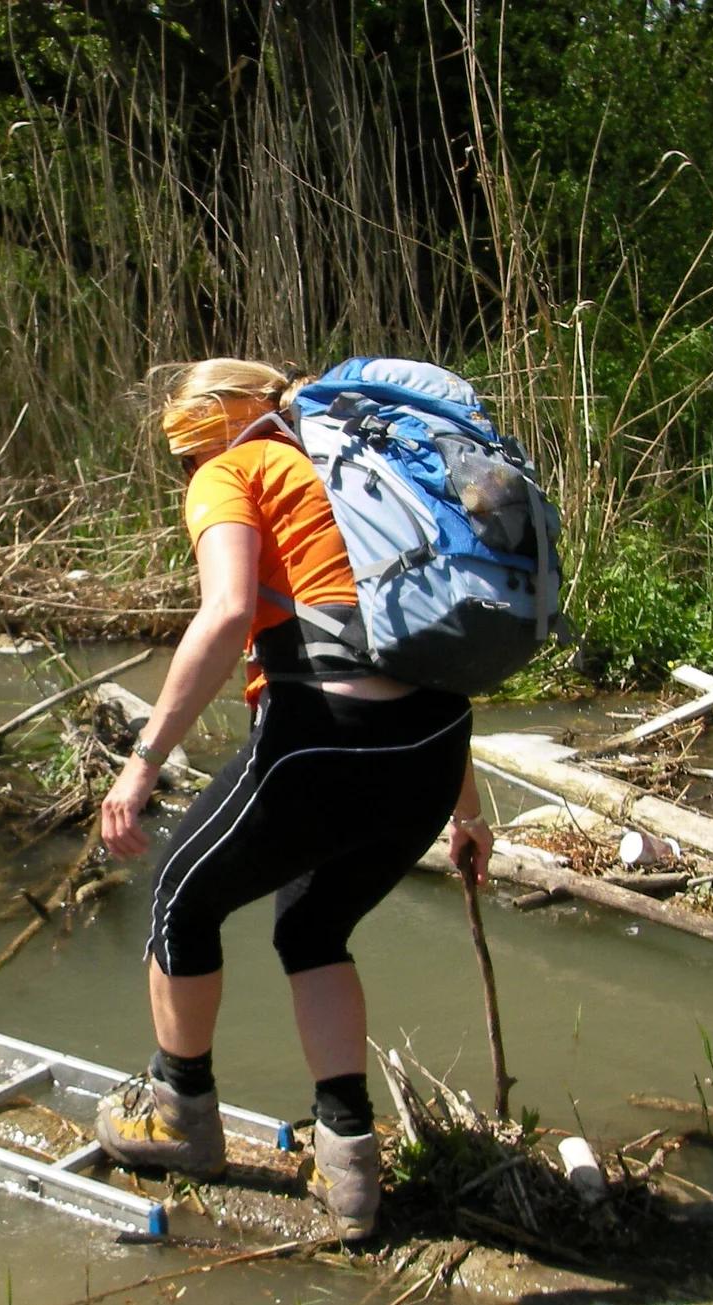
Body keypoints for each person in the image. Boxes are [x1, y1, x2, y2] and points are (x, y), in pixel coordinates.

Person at [96, 358, 494, 1241]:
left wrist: (143, 761)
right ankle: (350, 1171)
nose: (181, 479)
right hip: (434, 748)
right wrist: (468, 810)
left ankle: (179, 1121)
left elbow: (229, 611)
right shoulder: (358, 472)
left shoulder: (232, 470)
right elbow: (427, 645)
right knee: (311, 927)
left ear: (199, 437)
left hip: (326, 735)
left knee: (177, 896)